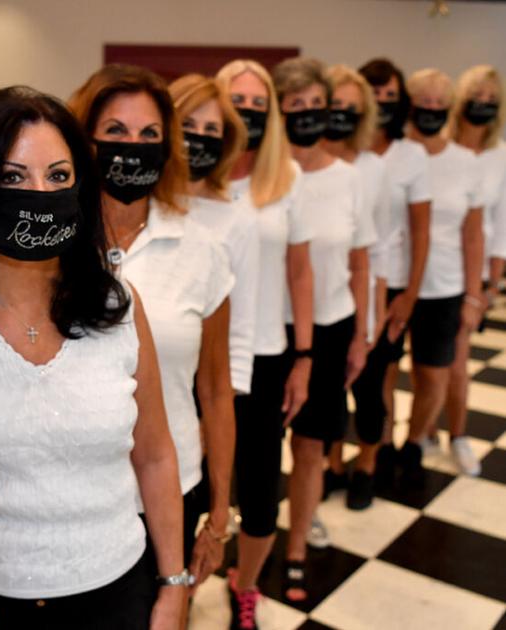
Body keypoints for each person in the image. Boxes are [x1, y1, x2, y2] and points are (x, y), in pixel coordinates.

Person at [0, 85, 186, 630]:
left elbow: (156, 454)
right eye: (13, 177)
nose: (38, 192)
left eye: (58, 176)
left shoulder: (117, 305)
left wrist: (174, 585)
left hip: (120, 589)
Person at [69, 63, 236, 592]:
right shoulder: (50, 245)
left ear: (168, 148)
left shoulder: (202, 251)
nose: (132, 147)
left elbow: (214, 391)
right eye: (115, 131)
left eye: (149, 134)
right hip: (74, 497)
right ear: (83, 139)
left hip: (172, 489)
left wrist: (219, 512)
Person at [215, 59, 314, 630]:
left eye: (258, 104)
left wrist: (304, 356)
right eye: (237, 101)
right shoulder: (190, 180)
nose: (247, 113)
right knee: (192, 485)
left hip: (270, 357)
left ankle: (245, 584)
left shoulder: (288, 179)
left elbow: (301, 274)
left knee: (258, 492)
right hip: (201, 365)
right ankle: (179, 582)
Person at [272, 56, 374, 602]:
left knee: (311, 446)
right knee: (257, 445)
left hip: (331, 329)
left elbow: (361, 263)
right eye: (297, 106)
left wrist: (362, 334)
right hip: (272, 332)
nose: (309, 116)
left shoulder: (349, 178)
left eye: (318, 105)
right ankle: (256, 528)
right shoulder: (260, 178)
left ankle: (296, 546)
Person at [397, 68, 485, 484]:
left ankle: (414, 441)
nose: (430, 110)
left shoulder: (466, 163)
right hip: (394, 284)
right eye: (423, 102)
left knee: (434, 373)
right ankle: (375, 451)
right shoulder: (393, 153)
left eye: (438, 103)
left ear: (448, 109)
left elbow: (473, 235)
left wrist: (474, 295)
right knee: (384, 373)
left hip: (445, 286)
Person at [357, 58, 432, 489]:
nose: (382, 104)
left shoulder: (412, 154)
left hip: (394, 280)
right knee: (339, 373)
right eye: (375, 95)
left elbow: (420, 231)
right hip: (347, 280)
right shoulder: (345, 149)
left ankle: (376, 451)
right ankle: (335, 459)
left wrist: (409, 296)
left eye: (391, 96)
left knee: (381, 371)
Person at [322, 63, 391, 509]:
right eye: (335, 105)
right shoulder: (297, 161)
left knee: (369, 393)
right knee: (328, 399)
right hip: (322, 305)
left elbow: (378, 249)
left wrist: (375, 315)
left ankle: (367, 464)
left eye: (353, 108)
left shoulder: (373, 168)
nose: (342, 114)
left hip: (364, 302)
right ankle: (333, 464)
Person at [168, 73, 258, 399]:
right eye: (187, 126)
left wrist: (219, 409)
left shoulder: (238, 217)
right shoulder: (139, 206)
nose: (198, 138)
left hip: (207, 385)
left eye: (210, 130)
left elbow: (242, 326)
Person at [440, 64, 506, 475]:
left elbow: (501, 225)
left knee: (458, 361)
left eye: (490, 101)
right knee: (431, 365)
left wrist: (491, 284)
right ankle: (423, 430)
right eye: (474, 98)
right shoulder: (441, 150)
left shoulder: (500, 157)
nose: (481, 106)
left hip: (473, 274)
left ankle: (458, 434)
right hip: (432, 270)